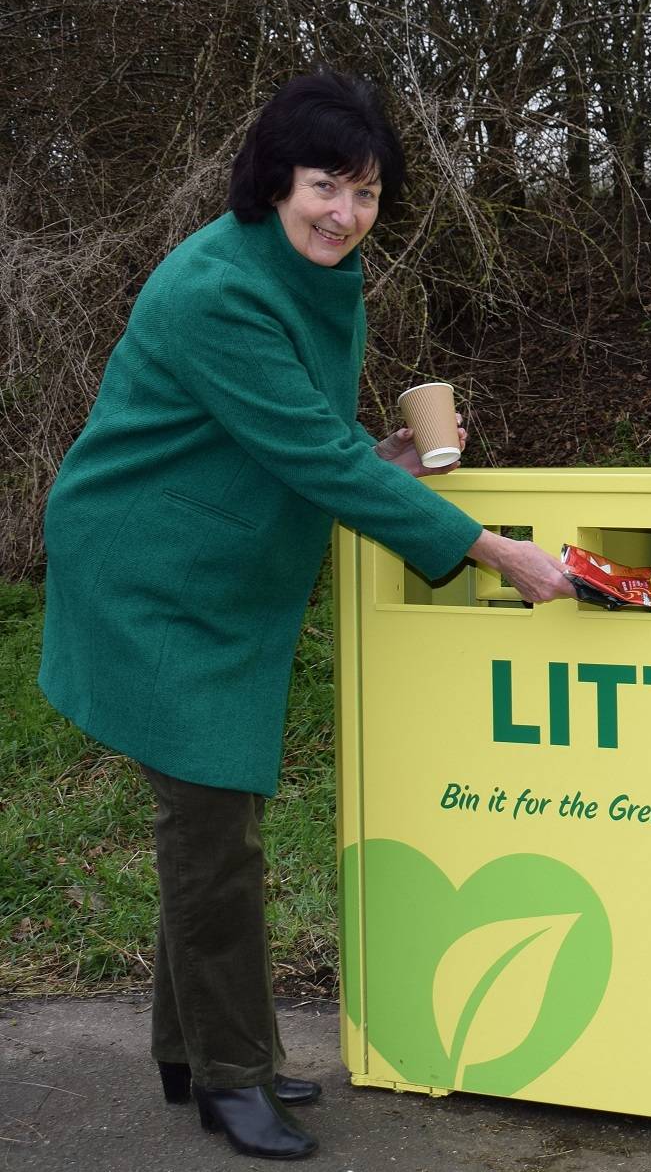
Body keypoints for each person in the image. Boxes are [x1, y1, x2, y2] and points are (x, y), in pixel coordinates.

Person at [37, 69, 574, 1161]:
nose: (346, 212)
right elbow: (304, 446)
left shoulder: (315, 269)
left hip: (221, 568)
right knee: (213, 825)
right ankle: (231, 1078)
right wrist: (493, 550)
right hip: (150, 574)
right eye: (328, 183)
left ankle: (193, 1051)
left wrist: (369, 458)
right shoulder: (217, 290)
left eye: (368, 193)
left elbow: (301, 428)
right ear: (275, 176)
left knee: (210, 820)